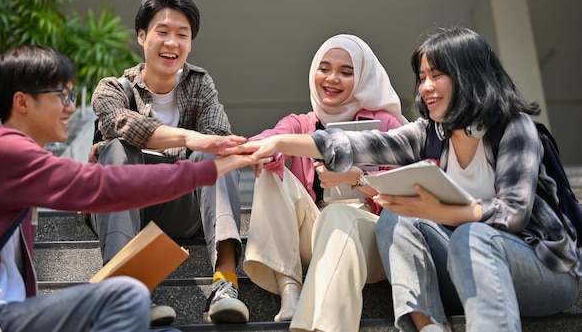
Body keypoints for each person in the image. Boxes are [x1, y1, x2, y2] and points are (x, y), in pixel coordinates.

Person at [222, 27, 582, 332]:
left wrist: (441, 211)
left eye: (437, 75)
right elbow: (359, 143)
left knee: (471, 233)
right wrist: (280, 141)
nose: (425, 87)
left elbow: (513, 213)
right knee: (397, 215)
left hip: (542, 269)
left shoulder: (512, 128)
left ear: (469, 74)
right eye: (422, 77)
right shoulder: (429, 133)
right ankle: (427, 326)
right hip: (461, 266)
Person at [0, 45, 265, 332]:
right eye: (61, 95)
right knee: (125, 293)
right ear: (22, 101)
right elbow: (102, 186)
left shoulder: (8, 157)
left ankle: (221, 281)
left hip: (11, 313)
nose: (70, 107)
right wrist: (207, 168)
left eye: (72, 94)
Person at [88, 0, 249, 324]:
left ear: (191, 43)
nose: (171, 43)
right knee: (118, 148)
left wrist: (211, 146)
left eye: (182, 35)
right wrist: (192, 138)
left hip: (180, 205)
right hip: (125, 206)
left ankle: (225, 286)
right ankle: (126, 292)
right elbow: (121, 125)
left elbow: (217, 139)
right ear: (142, 36)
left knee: (216, 158)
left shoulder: (200, 84)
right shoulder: (113, 88)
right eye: (162, 32)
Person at [243, 34, 408, 332]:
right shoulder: (303, 123)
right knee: (271, 171)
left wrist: (355, 178)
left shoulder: (386, 125)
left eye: (346, 72)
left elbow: (407, 191)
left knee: (338, 213)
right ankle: (289, 288)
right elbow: (268, 138)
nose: (332, 79)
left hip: (373, 238)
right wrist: (267, 153)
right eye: (325, 68)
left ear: (362, 78)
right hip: (315, 233)